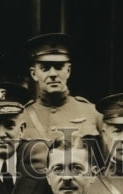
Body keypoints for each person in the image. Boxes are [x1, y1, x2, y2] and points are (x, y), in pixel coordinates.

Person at [21, 33, 102, 171]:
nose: (53, 74)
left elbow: (105, 164)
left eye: (59, 67)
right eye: (45, 68)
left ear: (68, 71)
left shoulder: (93, 113)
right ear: (34, 74)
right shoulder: (22, 115)